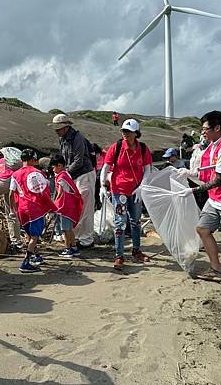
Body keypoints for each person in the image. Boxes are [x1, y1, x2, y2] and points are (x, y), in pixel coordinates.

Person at [179, 111, 221, 287]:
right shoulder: (213, 146)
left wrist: (193, 189)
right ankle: (216, 269)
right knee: (202, 229)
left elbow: (219, 179)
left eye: (205, 129)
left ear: (217, 128)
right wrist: (191, 173)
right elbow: (207, 171)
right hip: (215, 198)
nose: (202, 132)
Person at [99, 119, 152, 271]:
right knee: (120, 222)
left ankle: (136, 250)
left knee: (136, 221)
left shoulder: (142, 148)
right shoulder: (116, 148)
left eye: (128, 132)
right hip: (119, 190)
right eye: (123, 131)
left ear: (136, 133)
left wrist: (142, 186)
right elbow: (105, 167)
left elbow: (147, 168)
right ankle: (119, 255)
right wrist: (103, 186)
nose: (125, 134)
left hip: (135, 190)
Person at [49, 114, 96, 249]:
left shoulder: (77, 138)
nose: (56, 131)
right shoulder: (63, 139)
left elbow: (79, 161)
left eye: (58, 128)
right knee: (75, 206)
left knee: (85, 207)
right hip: (72, 175)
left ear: (66, 127)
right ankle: (75, 238)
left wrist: (65, 173)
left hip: (84, 174)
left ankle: (86, 239)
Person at [9, 149, 57, 273]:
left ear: (21, 160)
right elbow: (43, 191)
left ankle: (36, 256)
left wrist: (12, 209)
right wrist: (49, 206)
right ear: (33, 160)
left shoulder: (15, 174)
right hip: (34, 208)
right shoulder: (37, 173)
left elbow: (11, 193)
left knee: (29, 234)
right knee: (35, 236)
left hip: (22, 209)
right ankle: (26, 262)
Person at [0, 148, 22, 252]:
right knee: (12, 212)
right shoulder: (9, 158)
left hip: (3, 182)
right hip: (13, 181)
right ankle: (16, 241)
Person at [50, 154, 83, 258]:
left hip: (65, 207)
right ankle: (74, 247)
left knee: (65, 229)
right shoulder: (67, 174)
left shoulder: (61, 177)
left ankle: (67, 248)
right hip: (70, 206)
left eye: (54, 166)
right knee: (69, 229)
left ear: (59, 165)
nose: (53, 169)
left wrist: (53, 203)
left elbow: (59, 193)